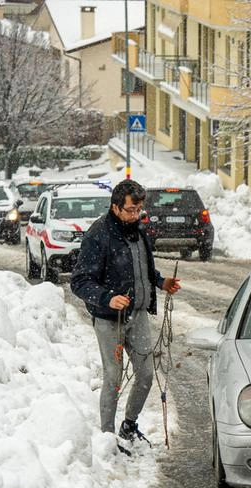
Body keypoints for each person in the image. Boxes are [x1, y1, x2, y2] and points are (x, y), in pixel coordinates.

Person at [71, 179, 181, 451]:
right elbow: (80, 282)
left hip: (139, 315)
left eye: (139, 210)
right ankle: (107, 439)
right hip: (110, 320)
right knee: (114, 377)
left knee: (145, 375)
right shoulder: (99, 234)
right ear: (116, 207)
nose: (136, 215)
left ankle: (129, 425)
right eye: (131, 210)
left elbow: (140, 268)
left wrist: (160, 281)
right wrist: (108, 298)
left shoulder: (138, 230)